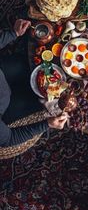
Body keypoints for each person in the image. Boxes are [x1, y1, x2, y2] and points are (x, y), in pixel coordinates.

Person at [0, 19, 69, 147]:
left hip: (3, 72)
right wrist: (47, 123)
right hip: (7, 105)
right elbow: (9, 138)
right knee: (43, 101)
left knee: (30, 62)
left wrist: (13, 33)